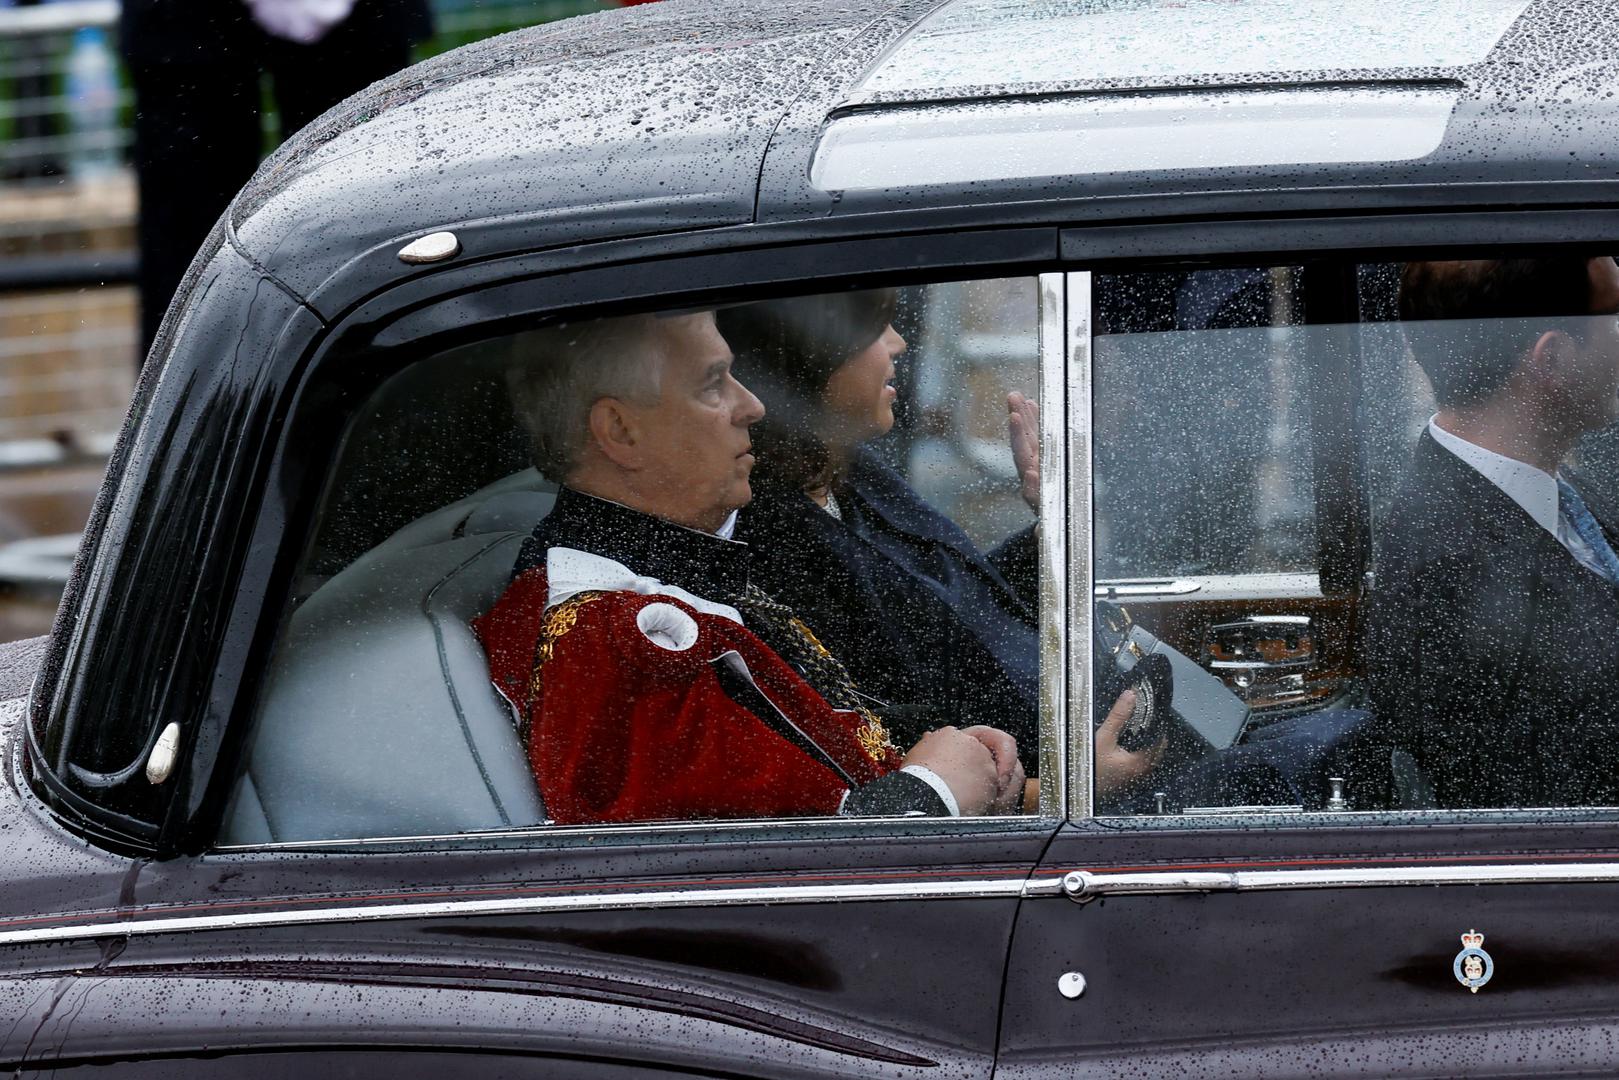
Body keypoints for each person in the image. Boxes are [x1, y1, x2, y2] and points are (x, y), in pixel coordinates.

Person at [472, 311, 1033, 825]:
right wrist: (933, 789)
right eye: (713, 385)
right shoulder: (618, 639)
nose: (754, 407)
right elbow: (722, 878)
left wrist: (961, 758)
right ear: (620, 431)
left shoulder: (672, 570)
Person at [715, 291, 1164, 801]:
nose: (899, 343)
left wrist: (1052, 523)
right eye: (876, 329)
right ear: (808, 354)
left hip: (1083, 737)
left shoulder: (850, 472)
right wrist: (1069, 788)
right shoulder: (769, 539)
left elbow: (940, 605)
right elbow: (886, 753)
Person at [1369, 257, 1619, 808]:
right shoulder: (1447, 565)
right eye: (1615, 321)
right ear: (1552, 357)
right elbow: (1553, 803)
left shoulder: (1546, 484)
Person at [119, 0, 433, 361]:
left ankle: (379, 384)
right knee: (187, 243)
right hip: (186, 27)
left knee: (364, 219)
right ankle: (188, 397)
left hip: (359, 20)